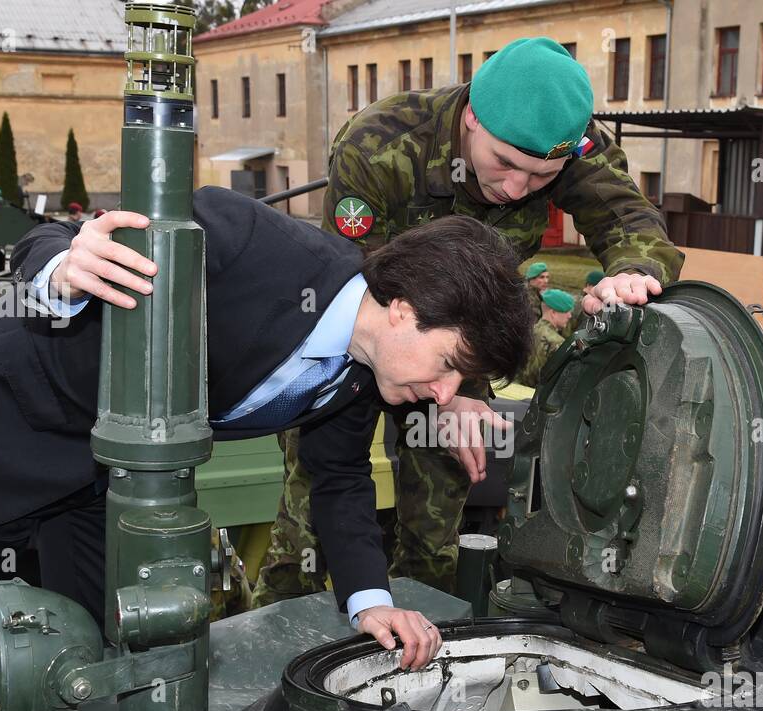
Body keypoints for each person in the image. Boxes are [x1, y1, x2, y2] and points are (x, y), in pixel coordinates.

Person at [0, 188, 532, 677]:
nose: (446, 395)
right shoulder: (248, 241)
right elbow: (55, 238)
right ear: (405, 309)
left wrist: (372, 603)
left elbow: (340, 480)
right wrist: (62, 267)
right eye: (451, 365)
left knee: (89, 666)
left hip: (102, 476)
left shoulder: (364, 373)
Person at [253, 36, 685, 607]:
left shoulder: (568, 143)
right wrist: (440, 396)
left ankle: (424, 653)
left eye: (540, 178)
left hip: (462, 357)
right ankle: (272, 653)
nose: (514, 189)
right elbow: (353, 278)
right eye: (504, 164)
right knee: (309, 513)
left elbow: (633, 222)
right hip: (362, 343)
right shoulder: (381, 143)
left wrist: (630, 275)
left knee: (435, 531)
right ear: (473, 116)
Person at [516, 289, 573, 388]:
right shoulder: (558, 343)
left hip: (515, 390)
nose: (570, 316)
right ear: (553, 313)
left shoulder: (526, 332)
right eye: (566, 311)